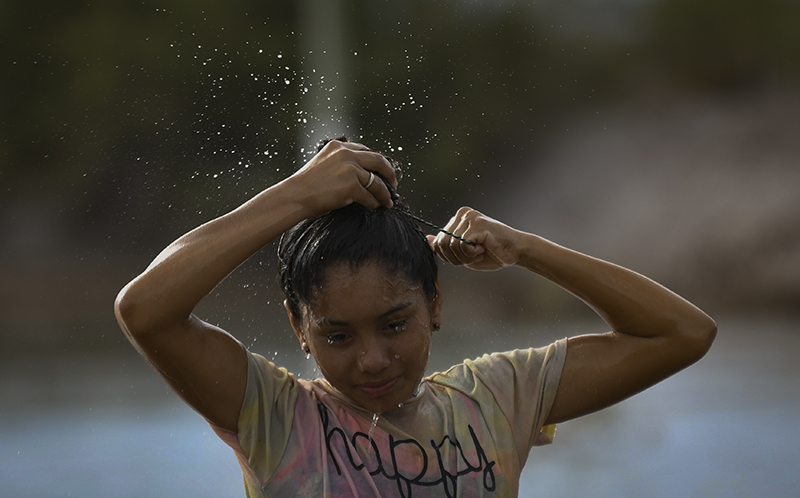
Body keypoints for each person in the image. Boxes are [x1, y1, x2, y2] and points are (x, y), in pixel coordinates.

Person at [115, 138, 716, 497]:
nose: (372, 359)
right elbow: (144, 309)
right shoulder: (276, 418)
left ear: (435, 305)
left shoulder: (496, 399)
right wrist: (297, 194)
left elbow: (683, 332)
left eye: (395, 323)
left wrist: (526, 247)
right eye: (338, 335)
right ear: (300, 329)